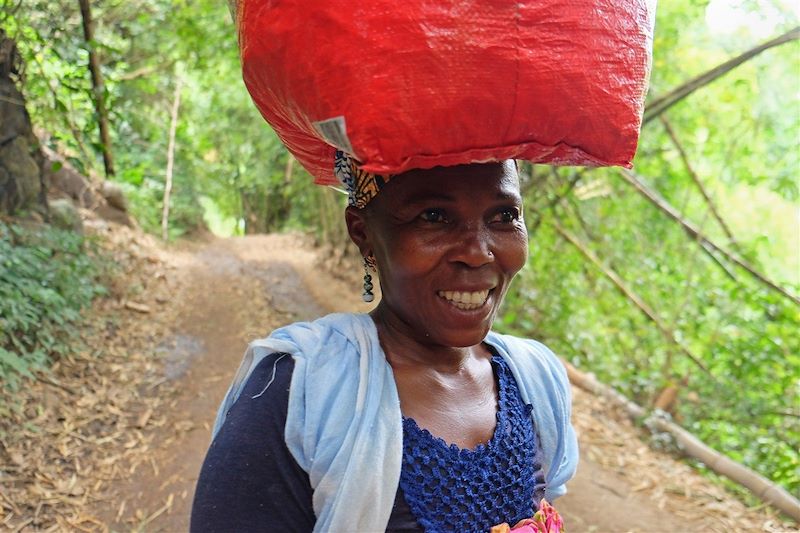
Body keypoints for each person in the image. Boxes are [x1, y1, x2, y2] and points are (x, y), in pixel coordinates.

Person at [190, 154, 578, 532]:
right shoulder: (300, 392)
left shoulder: (534, 379)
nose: (477, 253)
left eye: (504, 216)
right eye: (434, 217)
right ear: (364, 233)